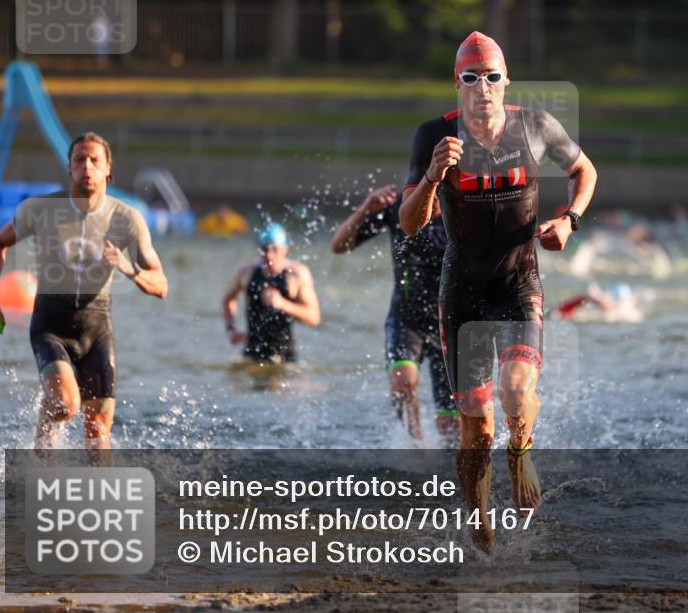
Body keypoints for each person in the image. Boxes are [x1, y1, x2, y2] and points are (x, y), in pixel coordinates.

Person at [399, 31, 598, 551]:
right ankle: (482, 529)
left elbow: (584, 170)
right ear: (457, 85)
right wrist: (432, 179)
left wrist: (570, 220)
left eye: (491, 77)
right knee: (475, 431)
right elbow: (410, 223)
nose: (482, 87)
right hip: (462, 291)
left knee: (514, 390)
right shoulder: (434, 138)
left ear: (506, 81)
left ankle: (523, 449)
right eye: (471, 77)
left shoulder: (534, 125)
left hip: (518, 283)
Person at [0, 132, 169, 452]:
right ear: (69, 168)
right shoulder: (40, 209)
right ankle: (42, 447)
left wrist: (129, 268)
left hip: (97, 328)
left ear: (108, 169)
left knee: (98, 435)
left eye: (95, 160)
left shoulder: (127, 219)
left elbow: (161, 285)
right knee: (64, 406)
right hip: (50, 324)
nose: (87, 166)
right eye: (79, 160)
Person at [331, 184, 458, 445]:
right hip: (406, 319)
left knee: (451, 428)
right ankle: (415, 450)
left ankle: (449, 472)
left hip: (450, 324)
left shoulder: (462, 208)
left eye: (436, 200)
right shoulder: (398, 207)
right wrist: (366, 208)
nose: (430, 205)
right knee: (402, 385)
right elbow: (339, 246)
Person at [222, 223, 320, 364]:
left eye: (274, 249)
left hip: (285, 358)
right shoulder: (246, 272)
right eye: (264, 249)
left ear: (285, 249)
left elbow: (314, 317)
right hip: (251, 354)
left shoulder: (297, 274)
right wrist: (231, 330)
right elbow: (227, 300)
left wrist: (283, 304)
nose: (268, 255)